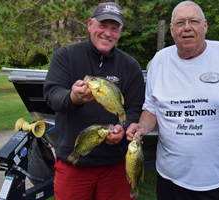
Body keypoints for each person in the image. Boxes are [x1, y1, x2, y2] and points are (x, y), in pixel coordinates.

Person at [126, 1, 219, 200]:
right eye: (180, 23)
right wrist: (142, 126)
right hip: (171, 178)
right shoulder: (159, 61)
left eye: (193, 21)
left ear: (205, 26)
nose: (187, 27)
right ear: (171, 29)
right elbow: (152, 108)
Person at [43, 2, 145, 200]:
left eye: (114, 28)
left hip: (115, 164)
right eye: (103, 26)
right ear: (90, 25)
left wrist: (122, 128)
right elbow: (52, 95)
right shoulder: (65, 56)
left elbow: (133, 109)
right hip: (74, 164)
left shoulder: (130, 66)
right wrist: (73, 97)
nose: (108, 33)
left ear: (120, 32)